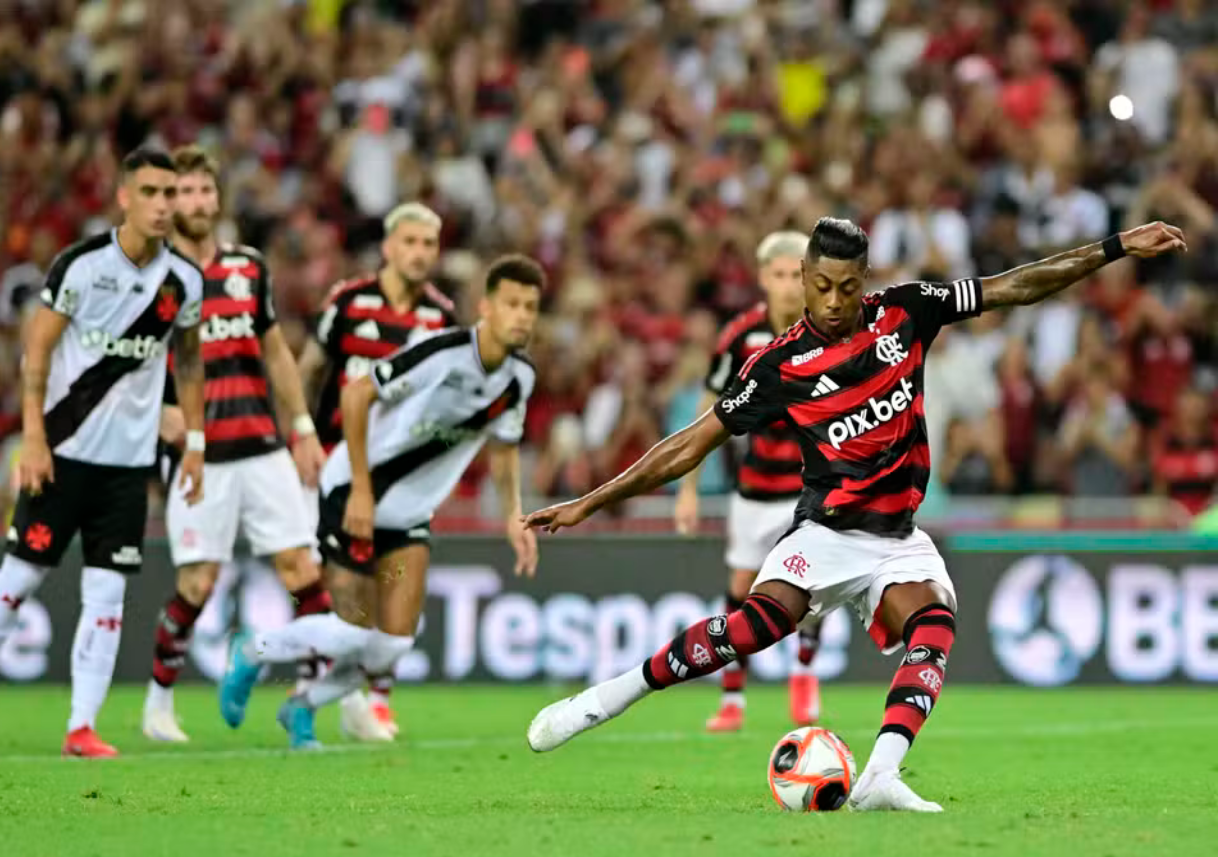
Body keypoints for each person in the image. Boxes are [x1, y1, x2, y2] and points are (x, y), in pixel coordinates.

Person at [522, 217, 1185, 811]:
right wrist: (590, 502)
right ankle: (603, 699)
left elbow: (1016, 285)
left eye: (846, 287)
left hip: (898, 539)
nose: (833, 301)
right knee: (748, 631)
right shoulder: (777, 366)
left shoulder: (906, 311)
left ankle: (880, 776)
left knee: (934, 621)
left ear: (863, 281)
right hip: (827, 535)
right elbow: (686, 447)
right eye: (820, 286)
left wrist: (1115, 247)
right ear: (805, 280)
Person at [219, 254, 544, 749]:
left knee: (394, 644)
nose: (521, 315)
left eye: (531, 307)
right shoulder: (442, 352)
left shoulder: (520, 380)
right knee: (352, 631)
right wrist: (364, 494)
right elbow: (355, 395)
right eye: (512, 304)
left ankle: (301, 705)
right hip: (353, 493)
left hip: (410, 514)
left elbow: (503, 451)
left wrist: (513, 517)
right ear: (486, 307)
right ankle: (254, 650)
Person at [0, 148, 206, 760]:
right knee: (20, 579)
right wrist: (34, 439)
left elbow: (190, 360)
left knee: (108, 594)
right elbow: (36, 353)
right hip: (62, 452)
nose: (164, 205)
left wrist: (194, 439)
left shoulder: (186, 282)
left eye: (171, 194)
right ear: (124, 197)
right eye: (151, 192)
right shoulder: (82, 266)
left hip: (127, 465)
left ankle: (81, 727)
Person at [141, 144, 328, 743]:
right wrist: (157, 416)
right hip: (202, 457)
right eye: (183, 192)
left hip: (263, 446)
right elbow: (128, 363)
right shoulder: (154, 276)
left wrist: (301, 430)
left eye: (203, 190)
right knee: (196, 585)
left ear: (217, 199)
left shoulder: (248, 268)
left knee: (304, 573)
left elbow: (275, 355)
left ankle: (306, 706)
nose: (195, 202)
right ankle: (157, 706)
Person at [297, 202, 458, 741]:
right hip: (341, 470)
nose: (419, 253)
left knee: (396, 591)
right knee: (345, 594)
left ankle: (375, 699)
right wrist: (301, 436)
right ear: (388, 247)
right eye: (409, 242)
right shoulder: (348, 302)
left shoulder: (440, 317)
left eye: (428, 244)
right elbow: (311, 369)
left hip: (402, 476)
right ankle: (332, 691)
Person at [674, 230, 828, 732]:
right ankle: (733, 699)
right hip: (754, 489)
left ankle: (804, 676)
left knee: (807, 587)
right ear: (763, 279)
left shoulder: (828, 332)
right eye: (779, 275)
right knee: (741, 590)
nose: (788, 286)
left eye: (795, 275)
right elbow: (706, 414)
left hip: (809, 490)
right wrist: (690, 489)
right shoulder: (741, 337)